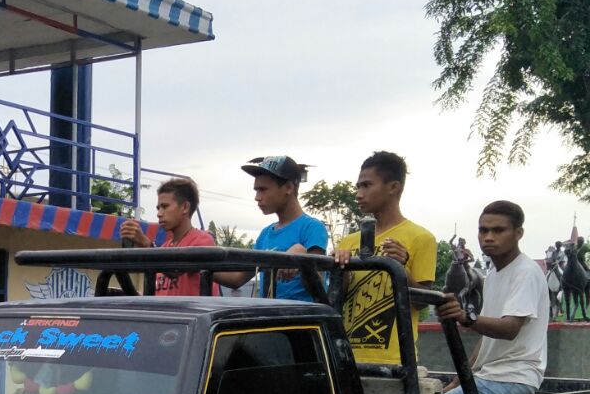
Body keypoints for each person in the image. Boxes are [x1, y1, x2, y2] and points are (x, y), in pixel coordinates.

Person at [438, 202, 549, 394]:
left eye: (498, 230)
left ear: (518, 233)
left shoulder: (526, 272)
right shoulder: (493, 276)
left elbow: (509, 329)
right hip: (492, 376)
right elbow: (488, 342)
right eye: (483, 230)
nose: (488, 237)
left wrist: (465, 317)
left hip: (513, 378)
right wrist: (458, 381)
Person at [334, 151, 438, 364]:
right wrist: (338, 268)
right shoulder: (348, 242)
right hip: (347, 357)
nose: (359, 194)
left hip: (396, 361)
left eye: (366, 185)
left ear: (393, 187)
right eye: (358, 187)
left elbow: (422, 302)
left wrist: (401, 269)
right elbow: (337, 300)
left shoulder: (421, 237)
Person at [227, 156, 328, 300]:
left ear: (288, 188)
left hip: (302, 320)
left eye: (263, 190)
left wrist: (303, 258)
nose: (257, 197)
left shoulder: (312, 227)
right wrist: (197, 263)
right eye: (256, 190)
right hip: (269, 318)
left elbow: (318, 287)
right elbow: (237, 278)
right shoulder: (265, 233)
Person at [120, 177, 216, 295]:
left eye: (165, 207)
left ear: (185, 207)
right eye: (158, 208)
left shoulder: (202, 240)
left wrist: (147, 246)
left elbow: (176, 270)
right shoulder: (164, 248)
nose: (159, 214)